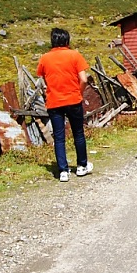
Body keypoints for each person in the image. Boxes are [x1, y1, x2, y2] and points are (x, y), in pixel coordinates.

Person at [37, 28, 93, 182]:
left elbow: (43, 78)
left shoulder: (45, 58)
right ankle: (82, 166)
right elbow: (84, 79)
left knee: (59, 136)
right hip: (73, 99)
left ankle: (63, 170)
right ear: (67, 40)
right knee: (78, 133)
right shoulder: (75, 55)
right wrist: (79, 93)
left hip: (54, 101)